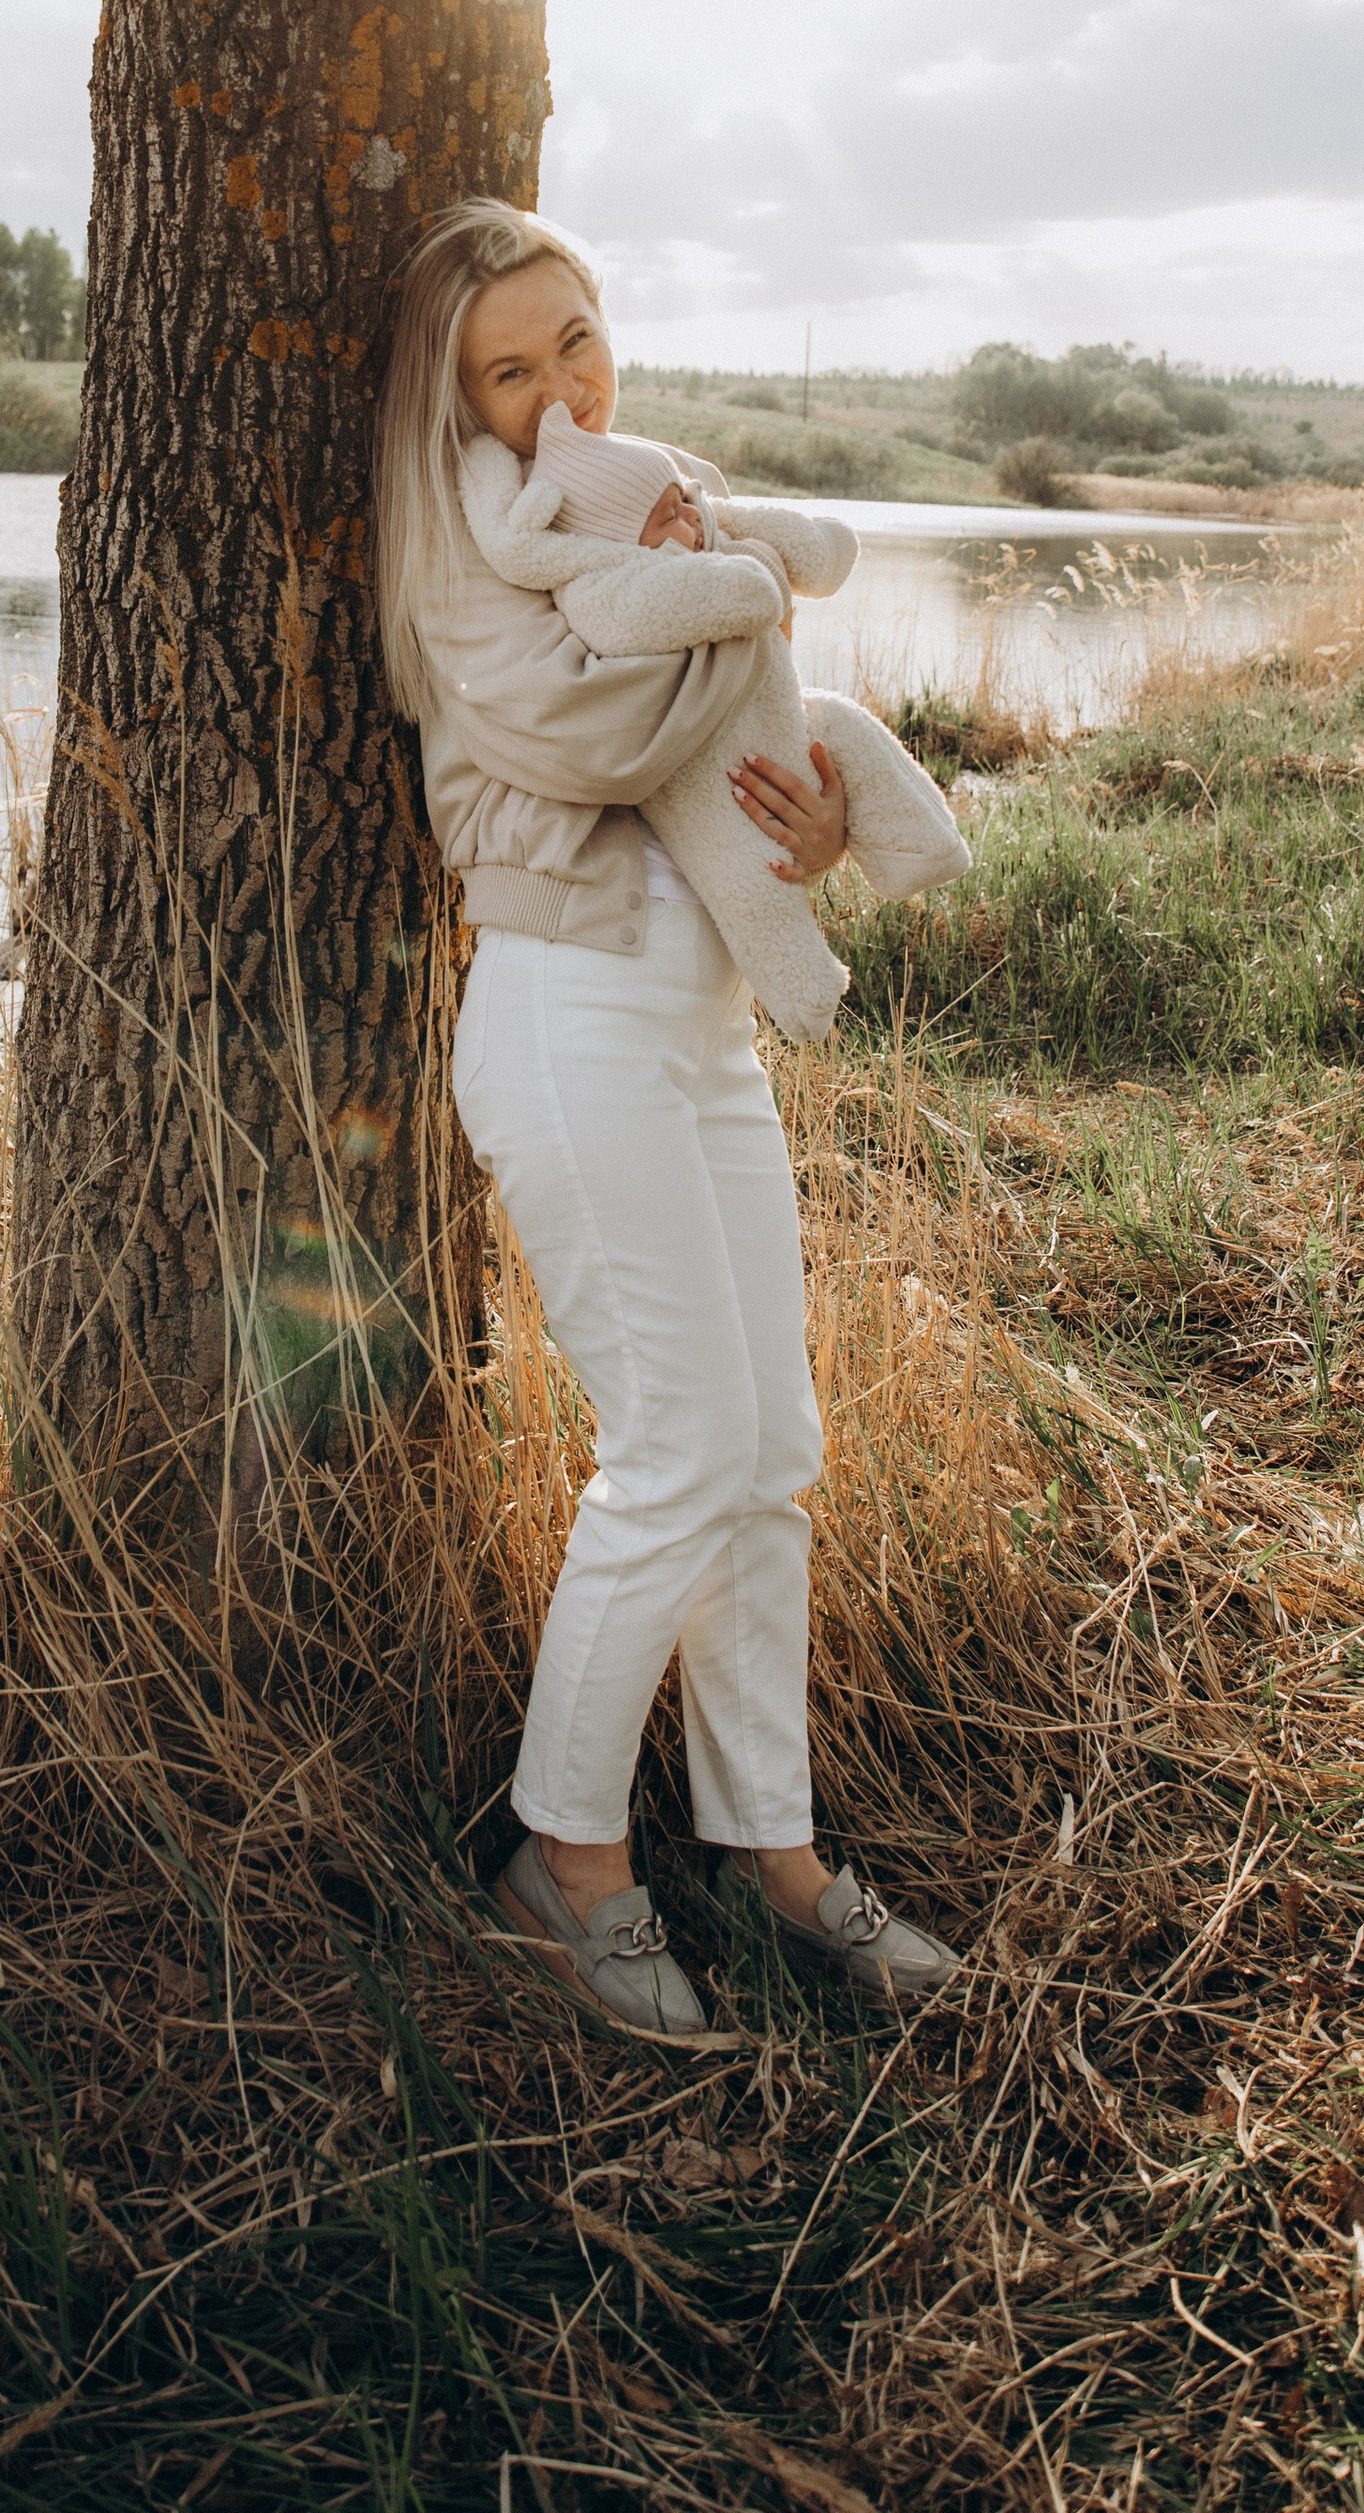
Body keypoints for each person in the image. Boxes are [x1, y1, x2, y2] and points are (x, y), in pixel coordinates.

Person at [372, 196, 965, 2035]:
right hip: (568, 1022)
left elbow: (718, 747)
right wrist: (753, 605)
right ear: (456, 402)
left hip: (700, 1023)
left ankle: (774, 1854)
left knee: (772, 1447)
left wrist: (812, 808)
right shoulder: (464, 554)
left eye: (580, 341)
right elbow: (605, 741)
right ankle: (566, 1866)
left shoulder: (645, 505)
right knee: (684, 1449)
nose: (562, 391)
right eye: (511, 371)